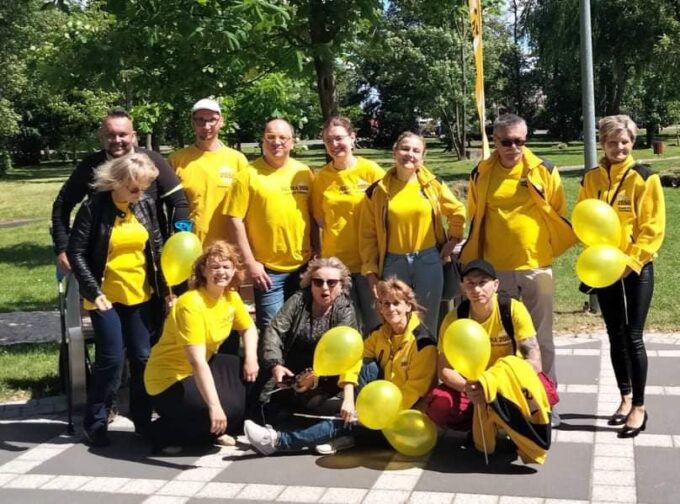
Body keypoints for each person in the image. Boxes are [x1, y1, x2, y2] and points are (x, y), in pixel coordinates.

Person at [459, 114, 576, 425]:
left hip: (536, 265)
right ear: (494, 141)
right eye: (506, 141)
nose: (514, 147)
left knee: (541, 337)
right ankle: (508, 398)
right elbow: (474, 215)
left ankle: (546, 399)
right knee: (505, 338)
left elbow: (557, 211)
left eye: (520, 141)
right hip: (496, 271)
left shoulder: (543, 169)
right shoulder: (481, 172)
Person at [244, 277, 437, 456]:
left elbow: (414, 391)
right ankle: (347, 435)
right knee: (366, 367)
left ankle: (277, 441)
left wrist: (374, 414)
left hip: (404, 415)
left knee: (344, 423)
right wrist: (350, 399)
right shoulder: (380, 333)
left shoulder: (422, 343)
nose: (390, 309)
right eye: (385, 303)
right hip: (379, 399)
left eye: (396, 303)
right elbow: (354, 361)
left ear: (408, 306)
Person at [66, 153, 169, 447]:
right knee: (110, 360)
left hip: (140, 296)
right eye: (135, 188)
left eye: (145, 187)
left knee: (142, 358)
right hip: (104, 298)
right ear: (117, 182)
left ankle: (142, 419)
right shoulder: (94, 207)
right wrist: (93, 292)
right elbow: (76, 253)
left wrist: (166, 291)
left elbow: (157, 249)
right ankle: (96, 422)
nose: (141, 193)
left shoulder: (145, 205)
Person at [577, 115, 665, 438]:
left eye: (624, 141)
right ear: (603, 143)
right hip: (604, 267)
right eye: (612, 142)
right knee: (614, 334)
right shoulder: (591, 178)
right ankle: (625, 398)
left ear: (633, 142)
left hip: (636, 267)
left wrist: (632, 261)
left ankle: (639, 406)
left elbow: (653, 227)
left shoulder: (644, 177)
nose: (619, 147)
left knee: (633, 335)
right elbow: (584, 219)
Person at [144, 241, 259, 452]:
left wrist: (251, 358)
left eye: (226, 266)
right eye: (214, 267)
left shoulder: (231, 297)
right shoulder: (190, 304)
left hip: (203, 365)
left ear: (234, 269)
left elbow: (248, 328)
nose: (221, 272)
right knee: (223, 411)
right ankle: (162, 433)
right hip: (169, 378)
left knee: (252, 379)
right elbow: (196, 362)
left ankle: (215, 427)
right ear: (203, 271)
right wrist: (215, 406)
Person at [52, 108, 189, 273]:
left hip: (150, 259)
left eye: (122, 134)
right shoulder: (90, 166)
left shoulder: (154, 161)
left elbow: (179, 203)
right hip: (101, 261)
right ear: (101, 136)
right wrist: (62, 247)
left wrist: (180, 240)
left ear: (133, 135)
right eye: (110, 135)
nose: (117, 140)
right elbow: (63, 204)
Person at [359, 131, 465, 338]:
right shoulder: (378, 191)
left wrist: (453, 239)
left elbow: (458, 210)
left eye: (416, 151)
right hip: (393, 263)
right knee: (395, 320)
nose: (410, 154)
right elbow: (368, 236)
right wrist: (371, 272)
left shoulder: (432, 185)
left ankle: (426, 357)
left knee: (427, 320)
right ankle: (400, 358)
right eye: (405, 149)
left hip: (428, 260)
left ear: (423, 157)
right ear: (395, 153)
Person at [426, 259, 544, 430]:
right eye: (470, 283)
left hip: (507, 383)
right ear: (462, 287)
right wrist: (468, 388)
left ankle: (516, 425)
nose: (476, 289)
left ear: (495, 285)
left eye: (482, 283)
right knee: (439, 405)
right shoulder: (454, 319)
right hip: (471, 385)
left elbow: (535, 363)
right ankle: (475, 423)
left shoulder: (513, 310)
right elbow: (444, 370)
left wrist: (493, 385)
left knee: (544, 389)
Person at [226, 118, 317, 332]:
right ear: (263, 141)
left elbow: (312, 216)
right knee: (271, 332)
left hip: (303, 266)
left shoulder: (304, 173)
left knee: (301, 328)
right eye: (271, 137)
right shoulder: (247, 175)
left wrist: (318, 251)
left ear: (292, 142)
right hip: (267, 271)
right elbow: (234, 219)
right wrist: (251, 263)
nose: (277, 142)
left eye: (283, 138)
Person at [258, 257, 359, 426]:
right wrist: (275, 364)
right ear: (310, 284)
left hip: (328, 375)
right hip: (291, 369)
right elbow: (274, 330)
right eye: (318, 282)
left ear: (342, 286)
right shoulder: (298, 300)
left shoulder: (346, 310)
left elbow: (345, 354)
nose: (324, 287)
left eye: (331, 283)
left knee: (311, 404)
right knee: (264, 403)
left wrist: (315, 377)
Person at [311, 116, 385, 332]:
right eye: (328, 140)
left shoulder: (372, 172)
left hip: (369, 262)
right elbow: (320, 219)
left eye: (339, 138)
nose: (334, 144)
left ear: (352, 138)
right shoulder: (321, 178)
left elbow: (386, 212)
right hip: (337, 266)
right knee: (345, 327)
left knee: (376, 324)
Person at [170, 98, 249, 247]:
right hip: (191, 247)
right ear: (192, 123)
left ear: (221, 121)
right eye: (200, 120)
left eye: (212, 120)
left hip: (229, 249)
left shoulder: (238, 160)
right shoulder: (177, 160)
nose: (206, 126)